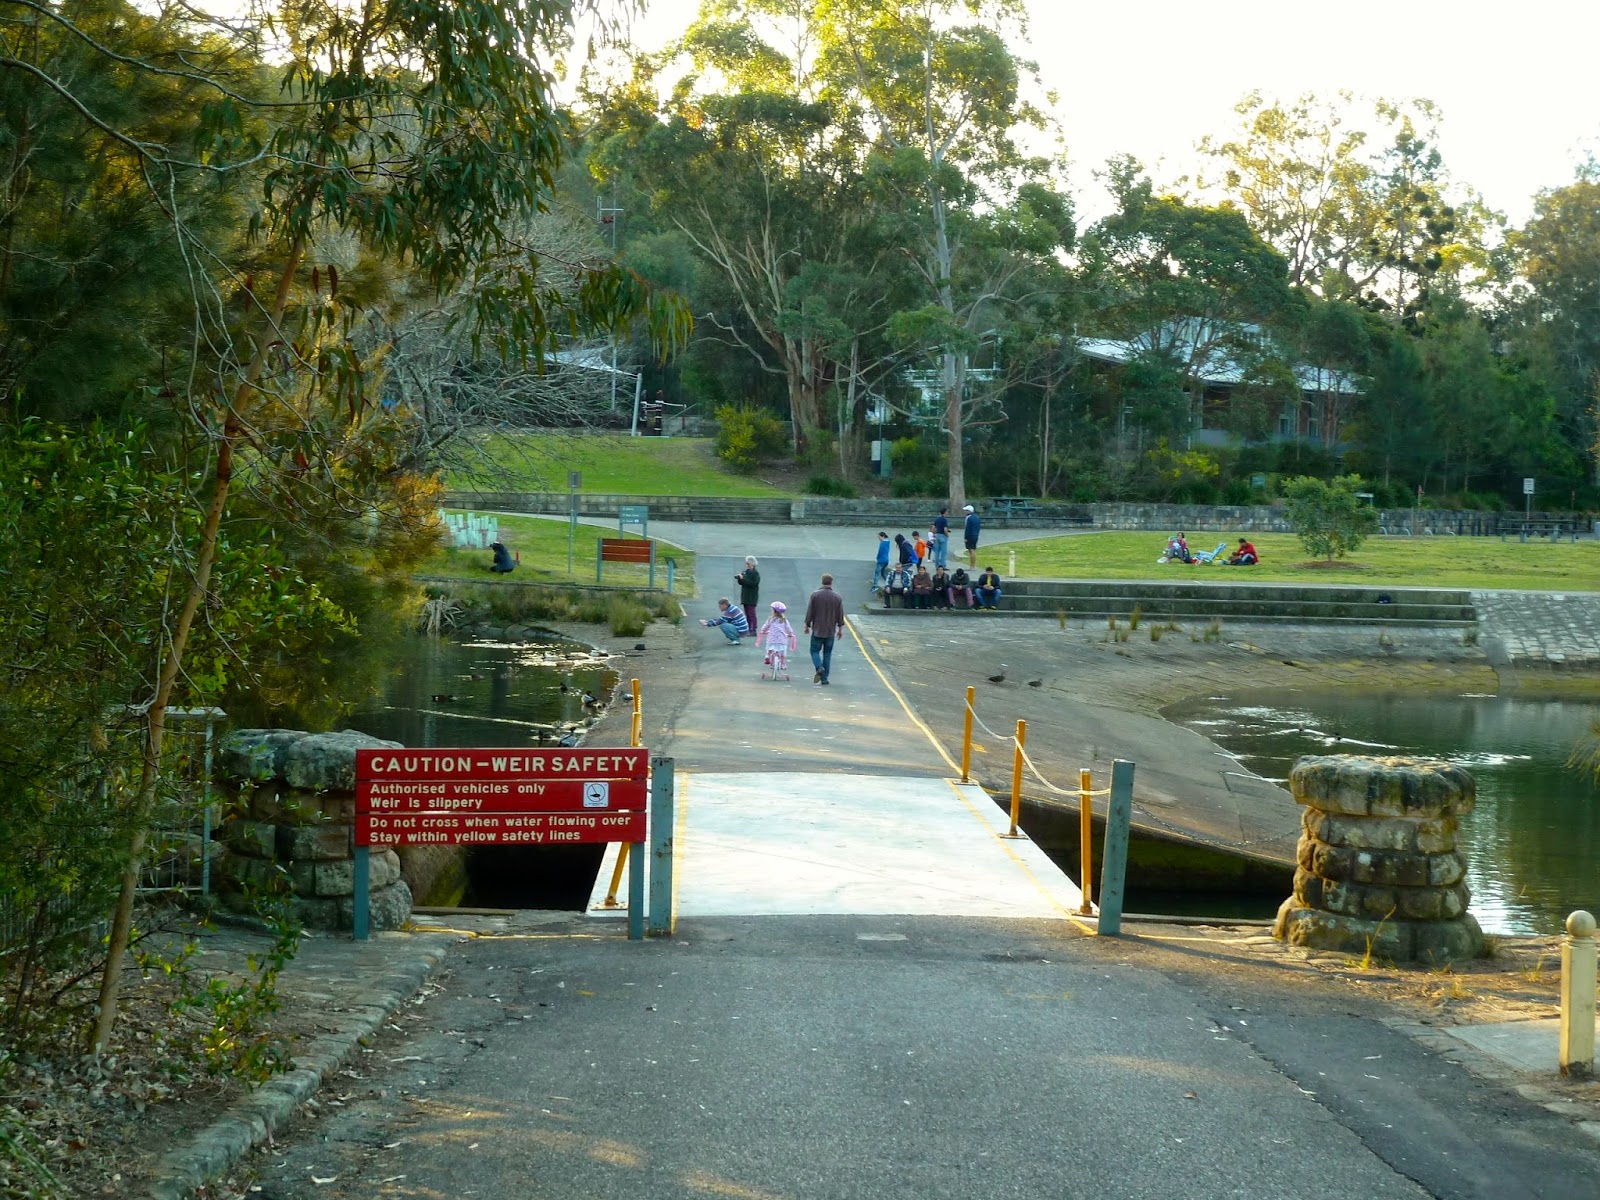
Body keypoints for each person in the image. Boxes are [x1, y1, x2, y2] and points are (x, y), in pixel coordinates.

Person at [804, 573, 846, 685]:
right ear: (831, 582)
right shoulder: (837, 597)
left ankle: (819, 667)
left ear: (822, 582)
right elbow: (840, 615)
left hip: (817, 630)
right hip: (830, 631)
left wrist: (807, 625)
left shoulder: (815, 595)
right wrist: (840, 629)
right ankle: (824, 678)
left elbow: (810, 612)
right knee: (827, 654)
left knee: (814, 651)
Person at [757, 601, 797, 678]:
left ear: (773, 611)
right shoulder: (784, 620)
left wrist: (763, 631)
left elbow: (765, 626)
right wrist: (790, 634)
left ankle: (767, 656)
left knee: (769, 648)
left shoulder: (771, 619)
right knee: (783, 652)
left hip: (772, 639)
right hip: (782, 640)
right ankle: (782, 664)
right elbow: (789, 629)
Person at [734, 556, 761, 634]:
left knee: (751, 613)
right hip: (745, 596)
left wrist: (743, 579)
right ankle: (749, 628)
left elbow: (753, 583)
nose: (747, 565)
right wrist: (740, 578)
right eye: (746, 564)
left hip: (752, 596)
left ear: (752, 564)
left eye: (748, 564)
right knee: (747, 614)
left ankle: (753, 629)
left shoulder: (755, 574)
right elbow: (741, 583)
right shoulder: (746, 572)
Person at [962, 503, 981, 568]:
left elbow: (967, 528)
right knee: (973, 549)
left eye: (966, 510)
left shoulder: (968, 518)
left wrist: (965, 537)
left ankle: (972, 565)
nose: (965, 512)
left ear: (969, 511)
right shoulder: (977, 518)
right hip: (975, 535)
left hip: (970, 536)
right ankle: (973, 565)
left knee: (971, 550)